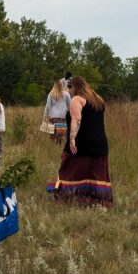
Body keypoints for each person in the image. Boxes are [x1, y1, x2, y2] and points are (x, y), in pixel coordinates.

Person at [47, 75, 113, 206]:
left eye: (70, 87)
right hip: (99, 143)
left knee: (67, 169)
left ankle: (68, 198)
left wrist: (72, 139)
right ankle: (96, 201)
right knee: (94, 172)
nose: (69, 91)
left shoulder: (77, 99)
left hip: (82, 143)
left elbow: (76, 120)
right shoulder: (98, 99)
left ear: (74, 87)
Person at [43, 78, 71, 143]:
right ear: (62, 85)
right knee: (61, 138)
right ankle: (58, 151)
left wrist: (45, 117)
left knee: (52, 137)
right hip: (62, 118)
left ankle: (52, 150)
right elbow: (70, 106)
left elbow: (48, 106)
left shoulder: (50, 94)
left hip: (52, 118)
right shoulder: (66, 94)